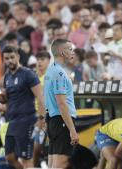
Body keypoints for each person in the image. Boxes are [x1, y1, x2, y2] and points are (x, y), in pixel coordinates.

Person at [0, 46, 45, 169]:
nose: (9, 61)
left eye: (12, 57)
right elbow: (5, 99)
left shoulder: (28, 74)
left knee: (26, 159)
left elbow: (41, 98)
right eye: (6, 58)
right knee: (10, 157)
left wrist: (41, 119)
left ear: (18, 57)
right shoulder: (7, 76)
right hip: (13, 121)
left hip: (27, 120)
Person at [44, 39, 79, 169]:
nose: (73, 52)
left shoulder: (51, 70)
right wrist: (72, 129)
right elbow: (61, 103)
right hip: (61, 121)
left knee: (52, 164)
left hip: (54, 120)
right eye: (69, 49)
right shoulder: (59, 73)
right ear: (61, 52)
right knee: (61, 165)